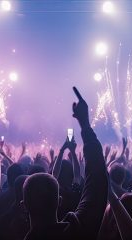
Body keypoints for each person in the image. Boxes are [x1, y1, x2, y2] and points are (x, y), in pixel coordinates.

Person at [22, 87, 108, 240]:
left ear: (24, 205)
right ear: (59, 201)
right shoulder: (79, 230)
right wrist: (85, 126)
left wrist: (61, 153)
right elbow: (97, 180)